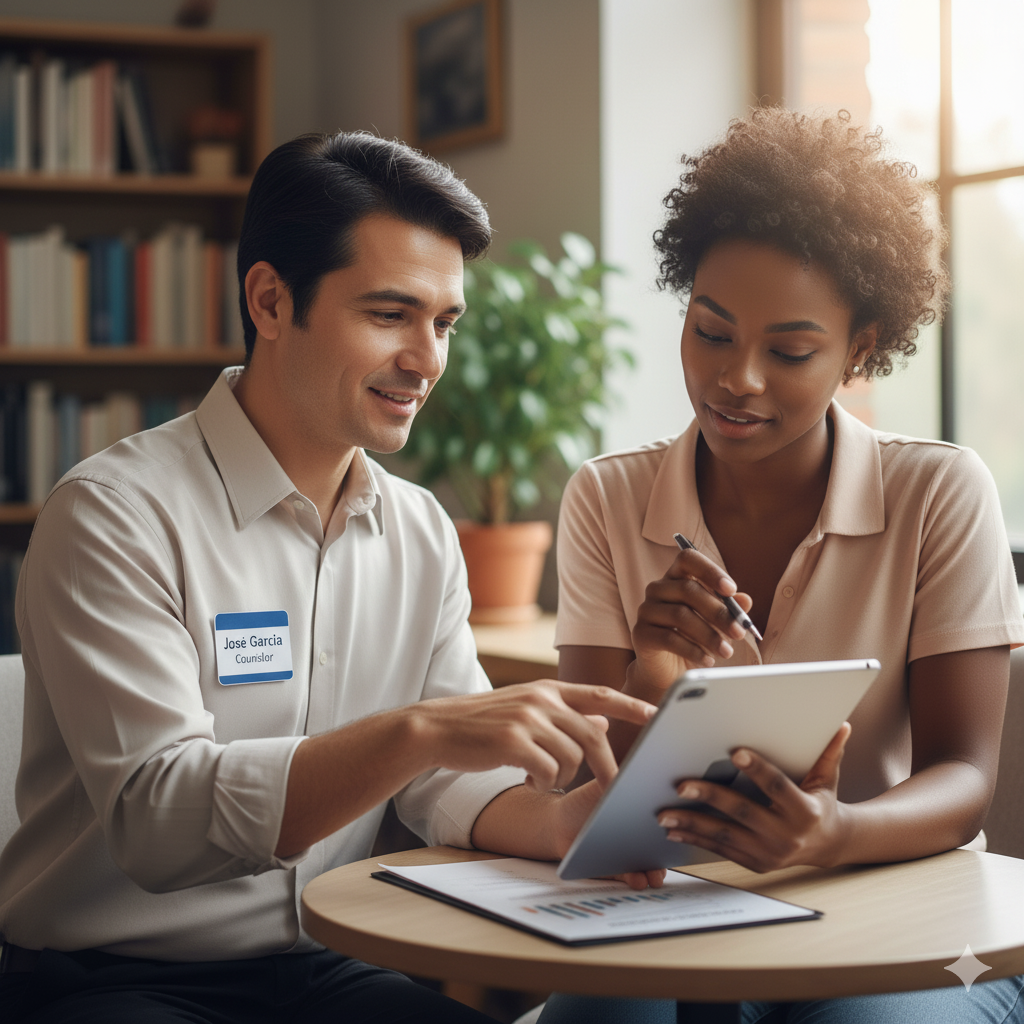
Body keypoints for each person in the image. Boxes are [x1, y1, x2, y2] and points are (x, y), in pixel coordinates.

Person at [0, 132, 662, 1024]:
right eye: (391, 315)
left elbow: (441, 785)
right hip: (115, 980)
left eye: (445, 323)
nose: (428, 360)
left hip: (325, 969)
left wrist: (565, 824)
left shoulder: (420, 529)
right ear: (271, 301)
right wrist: (418, 732)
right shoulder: (114, 515)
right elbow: (160, 822)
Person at [540, 109, 1024, 1023]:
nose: (738, 379)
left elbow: (965, 778)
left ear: (862, 349)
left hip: (902, 915)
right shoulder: (606, 499)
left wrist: (830, 833)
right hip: (676, 908)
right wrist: (653, 676)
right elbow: (589, 794)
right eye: (711, 333)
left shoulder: (939, 492)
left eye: (790, 351)